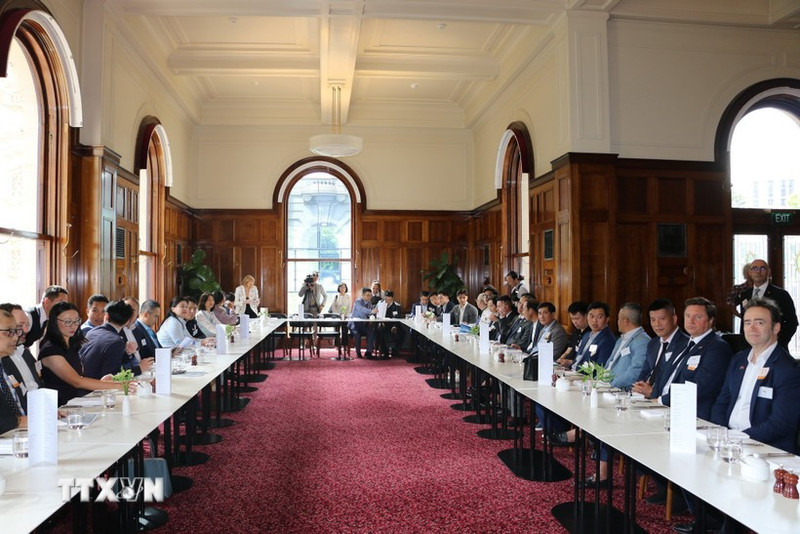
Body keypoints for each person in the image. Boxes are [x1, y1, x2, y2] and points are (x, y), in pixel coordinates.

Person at [711, 298, 800, 453]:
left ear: (776, 327)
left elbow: (780, 424)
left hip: (766, 450)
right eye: (747, 322)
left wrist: (737, 439)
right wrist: (722, 434)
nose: (752, 328)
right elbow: (721, 402)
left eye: (759, 323)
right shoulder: (738, 359)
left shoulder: (788, 369)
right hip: (729, 443)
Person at [39, 302, 128, 406]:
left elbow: (80, 376)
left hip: (76, 401)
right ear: (54, 322)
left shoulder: (72, 343)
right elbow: (77, 382)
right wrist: (118, 386)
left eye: (76, 321)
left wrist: (103, 382)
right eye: (67, 322)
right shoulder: (50, 350)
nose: (73, 326)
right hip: (60, 407)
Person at [658, 297, 733, 420]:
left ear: (711, 320)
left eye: (697, 317)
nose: (690, 321)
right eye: (687, 316)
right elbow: (665, 375)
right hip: (668, 408)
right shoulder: (686, 343)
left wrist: (662, 400)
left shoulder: (717, 348)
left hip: (694, 414)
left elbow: (701, 387)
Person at [735, 259, 798, 348]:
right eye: (754, 268)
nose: (758, 271)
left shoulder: (781, 295)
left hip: (774, 348)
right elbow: (744, 322)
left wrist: (778, 343)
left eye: (763, 268)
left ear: (769, 272)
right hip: (749, 349)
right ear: (750, 272)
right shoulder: (745, 295)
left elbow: (792, 323)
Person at [633, 299, 690, 391]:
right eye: (653, 320)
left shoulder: (686, 344)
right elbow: (644, 372)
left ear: (674, 319)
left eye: (662, 319)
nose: (657, 324)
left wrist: (652, 392)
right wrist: (638, 387)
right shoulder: (653, 343)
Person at [80, 300, 145, 379]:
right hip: (97, 387)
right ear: (127, 322)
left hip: (83, 382)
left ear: (106, 316)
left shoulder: (92, 332)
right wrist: (139, 369)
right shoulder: (116, 341)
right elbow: (113, 376)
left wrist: (127, 353)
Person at [0, 303, 43, 411]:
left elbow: (39, 384)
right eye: (19, 326)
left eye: (27, 325)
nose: (26, 330)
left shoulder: (25, 352)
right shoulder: (4, 357)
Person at [605, 303, 650, 389]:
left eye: (618, 318)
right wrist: (596, 381)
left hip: (620, 390)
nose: (617, 321)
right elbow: (609, 364)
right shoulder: (620, 339)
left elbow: (636, 370)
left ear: (625, 321)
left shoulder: (642, 341)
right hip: (605, 385)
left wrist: (611, 385)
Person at [0, 309, 27, 434]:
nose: (16, 337)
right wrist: (18, 421)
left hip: (22, 434)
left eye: (16, 331)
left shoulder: (7, 363)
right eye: (9, 332)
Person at [570, 301, 615, 369]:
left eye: (599, 317)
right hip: (573, 371)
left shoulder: (608, 339)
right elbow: (579, 358)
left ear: (607, 319)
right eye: (591, 316)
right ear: (587, 317)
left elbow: (599, 367)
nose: (594, 320)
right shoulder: (586, 335)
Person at [556, 301, 590, 367]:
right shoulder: (576, 332)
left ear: (586, 316)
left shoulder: (590, 333)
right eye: (572, 319)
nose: (574, 322)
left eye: (577, 318)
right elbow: (569, 349)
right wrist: (561, 359)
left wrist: (571, 362)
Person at [348, 288, 377, 359]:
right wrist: (371, 311)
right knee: (357, 334)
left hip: (363, 324)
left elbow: (371, 312)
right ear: (362, 295)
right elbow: (362, 310)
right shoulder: (358, 301)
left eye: (370, 295)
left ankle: (368, 352)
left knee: (371, 332)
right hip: (354, 323)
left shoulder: (369, 302)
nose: (369, 297)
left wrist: (372, 315)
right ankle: (358, 352)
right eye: (367, 295)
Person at [377, 291, 404, 358]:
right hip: (383, 323)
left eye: (390, 300)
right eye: (386, 299)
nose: (388, 301)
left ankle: (395, 350)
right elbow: (377, 315)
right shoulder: (380, 304)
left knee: (403, 331)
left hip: (393, 324)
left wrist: (395, 326)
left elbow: (398, 317)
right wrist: (380, 322)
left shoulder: (397, 306)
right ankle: (384, 351)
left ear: (392, 298)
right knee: (380, 330)